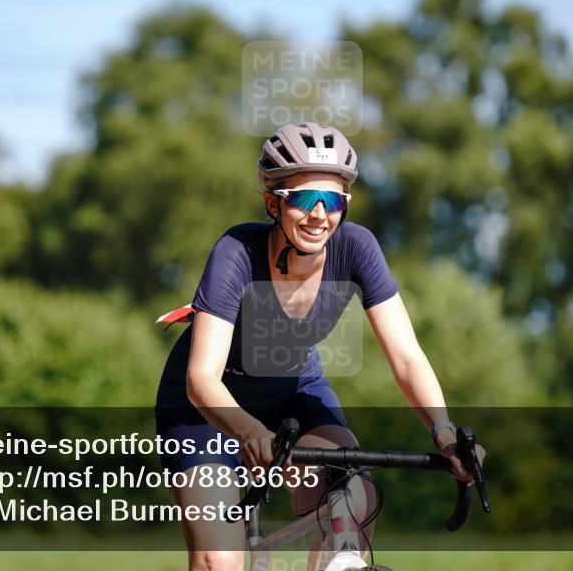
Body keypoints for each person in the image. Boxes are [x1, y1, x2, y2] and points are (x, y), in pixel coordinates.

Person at [155, 122, 476, 571]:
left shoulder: (357, 247)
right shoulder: (236, 251)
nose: (319, 214)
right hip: (207, 410)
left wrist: (442, 431)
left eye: (334, 201)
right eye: (305, 199)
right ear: (273, 203)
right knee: (219, 563)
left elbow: (405, 356)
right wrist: (248, 432)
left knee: (354, 495)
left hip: (294, 389)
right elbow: (200, 378)